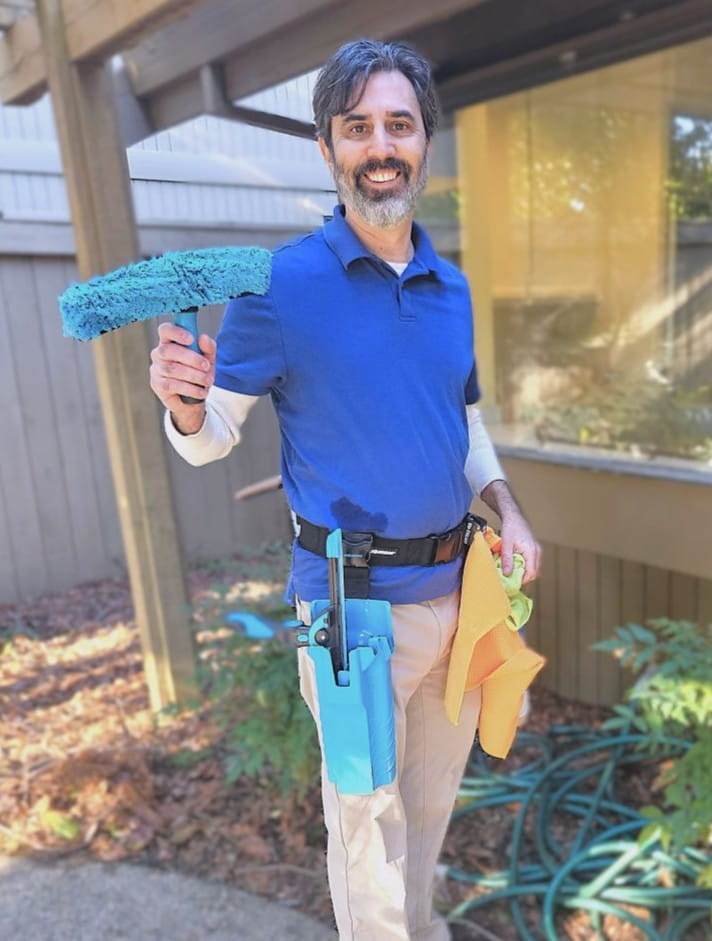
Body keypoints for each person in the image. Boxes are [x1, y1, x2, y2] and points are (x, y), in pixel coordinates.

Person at [149, 38, 541, 941]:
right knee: (367, 836)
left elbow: (464, 422)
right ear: (328, 149)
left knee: (430, 811)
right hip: (353, 616)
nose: (379, 145)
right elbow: (212, 440)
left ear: (424, 143)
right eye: (356, 127)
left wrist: (509, 508)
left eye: (397, 125)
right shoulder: (280, 285)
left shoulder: (452, 288)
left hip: (461, 599)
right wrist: (181, 403)